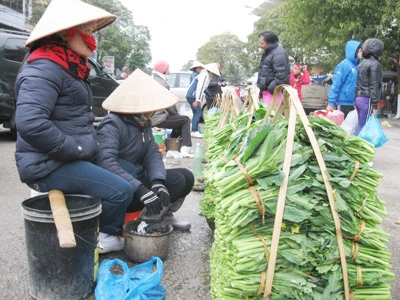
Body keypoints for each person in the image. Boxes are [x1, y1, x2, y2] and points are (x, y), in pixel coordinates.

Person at [14, 0, 133, 254]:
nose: (92, 38)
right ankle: (102, 239)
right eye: (88, 32)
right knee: (120, 190)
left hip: (67, 157)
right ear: (66, 33)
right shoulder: (44, 67)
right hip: (46, 165)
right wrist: (77, 148)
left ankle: (99, 224)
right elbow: (30, 123)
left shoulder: (69, 65)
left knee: (130, 170)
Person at [96, 69, 194, 231]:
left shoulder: (143, 122)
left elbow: (152, 153)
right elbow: (105, 161)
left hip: (140, 181)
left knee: (185, 177)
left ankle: (162, 215)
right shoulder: (112, 123)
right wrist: (140, 189)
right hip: (125, 187)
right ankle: (143, 222)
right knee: (176, 180)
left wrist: (158, 182)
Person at [151, 60, 193, 157]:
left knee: (178, 121)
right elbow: (169, 105)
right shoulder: (162, 84)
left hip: (151, 117)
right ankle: (186, 147)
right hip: (157, 118)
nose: (169, 72)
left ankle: (172, 148)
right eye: (168, 70)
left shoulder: (153, 80)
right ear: (164, 71)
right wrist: (176, 114)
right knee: (185, 120)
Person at [326, 40, 362, 117]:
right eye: (360, 50)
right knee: (342, 127)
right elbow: (336, 85)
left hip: (352, 103)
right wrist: (331, 103)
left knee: (350, 127)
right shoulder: (344, 65)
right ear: (354, 51)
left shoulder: (357, 66)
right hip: (342, 103)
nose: (362, 52)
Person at [355, 38, 384, 134]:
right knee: (365, 128)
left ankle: (359, 147)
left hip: (359, 98)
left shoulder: (361, 64)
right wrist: (375, 104)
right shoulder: (375, 64)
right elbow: (374, 85)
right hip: (367, 99)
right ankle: (361, 148)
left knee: (361, 126)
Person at [186, 62, 220, 138]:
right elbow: (200, 88)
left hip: (191, 95)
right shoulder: (205, 75)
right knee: (198, 113)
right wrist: (198, 100)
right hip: (193, 96)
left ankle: (193, 129)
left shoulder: (203, 74)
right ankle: (194, 131)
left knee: (196, 112)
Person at [257, 31, 290, 99]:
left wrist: (270, 89)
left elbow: (282, 77)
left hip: (273, 94)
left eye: (262, 43)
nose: (260, 45)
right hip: (266, 93)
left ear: (269, 43)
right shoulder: (267, 53)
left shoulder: (279, 54)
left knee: (273, 110)